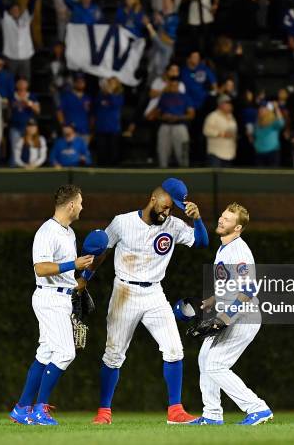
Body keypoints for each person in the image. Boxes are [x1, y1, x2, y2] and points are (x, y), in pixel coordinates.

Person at [89, 178, 208, 425]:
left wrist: (197, 219)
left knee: (174, 350)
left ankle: (175, 411)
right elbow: (102, 251)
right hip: (125, 292)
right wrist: (84, 279)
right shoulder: (122, 222)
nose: (168, 210)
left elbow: (202, 242)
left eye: (173, 207)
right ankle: (103, 412)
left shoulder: (173, 226)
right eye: (167, 204)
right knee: (113, 355)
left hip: (155, 293)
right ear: (154, 198)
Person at [8, 184, 94, 426]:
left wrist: (81, 279)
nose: (82, 206)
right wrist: (73, 265)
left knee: (45, 353)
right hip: (49, 297)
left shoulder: (68, 232)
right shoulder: (47, 231)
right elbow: (41, 268)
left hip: (62, 297)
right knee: (65, 353)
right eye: (80, 202)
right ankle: (39, 409)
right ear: (71, 205)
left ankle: (22, 408)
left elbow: (66, 270)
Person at [187, 202, 272, 426]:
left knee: (216, 365)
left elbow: (249, 289)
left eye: (227, 219)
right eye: (222, 216)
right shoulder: (224, 247)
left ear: (238, 228)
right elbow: (231, 285)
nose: (221, 220)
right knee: (205, 358)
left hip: (244, 318)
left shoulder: (238, 250)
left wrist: (224, 318)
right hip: (230, 315)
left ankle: (258, 408)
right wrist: (212, 301)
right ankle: (212, 414)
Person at [155, 76, 195, 167]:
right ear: (169, 85)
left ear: (178, 86)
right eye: (171, 85)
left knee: (182, 153)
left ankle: (185, 174)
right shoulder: (164, 97)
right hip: (165, 125)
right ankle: (162, 173)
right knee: (162, 152)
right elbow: (157, 114)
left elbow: (191, 114)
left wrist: (178, 117)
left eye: (175, 85)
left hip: (179, 126)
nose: (173, 87)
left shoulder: (185, 97)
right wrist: (163, 116)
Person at [1, 0, 39, 82]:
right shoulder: (6, 20)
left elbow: (31, 6)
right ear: (9, 12)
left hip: (25, 55)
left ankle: (24, 96)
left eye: (17, 9)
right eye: (13, 10)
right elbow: (1, 8)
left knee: (26, 81)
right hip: (11, 56)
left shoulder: (25, 19)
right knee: (10, 80)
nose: (15, 11)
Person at [145, 0, 179, 84]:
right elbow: (155, 27)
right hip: (155, 50)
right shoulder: (161, 14)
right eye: (164, 1)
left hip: (165, 49)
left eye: (167, 1)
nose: (165, 4)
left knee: (161, 75)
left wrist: (155, 25)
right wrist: (155, 21)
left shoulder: (174, 18)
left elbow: (170, 40)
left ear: (172, 2)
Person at [94, 77, 124, 166]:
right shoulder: (100, 96)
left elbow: (115, 104)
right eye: (109, 83)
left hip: (113, 130)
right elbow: (95, 106)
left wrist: (110, 93)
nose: (110, 85)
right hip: (101, 129)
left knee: (113, 155)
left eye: (113, 83)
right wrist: (103, 91)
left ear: (117, 85)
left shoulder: (119, 96)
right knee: (101, 154)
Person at [203, 94, 237, 167]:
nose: (229, 105)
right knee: (215, 177)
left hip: (229, 154)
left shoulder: (232, 117)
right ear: (220, 105)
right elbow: (206, 131)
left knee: (226, 178)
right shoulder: (213, 116)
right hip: (216, 154)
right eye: (226, 103)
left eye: (230, 103)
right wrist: (222, 134)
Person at [57, 73, 91, 143]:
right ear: (74, 83)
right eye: (78, 82)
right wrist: (64, 126)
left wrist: (91, 132)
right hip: (70, 131)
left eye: (82, 82)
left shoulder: (87, 98)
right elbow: (59, 112)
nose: (80, 84)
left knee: (83, 153)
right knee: (70, 153)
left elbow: (92, 116)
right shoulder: (66, 96)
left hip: (84, 131)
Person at [254, 101, 284, 167]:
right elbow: (255, 136)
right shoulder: (257, 122)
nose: (261, 110)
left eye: (264, 108)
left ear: (268, 110)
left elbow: (281, 123)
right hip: (259, 154)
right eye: (260, 108)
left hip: (272, 153)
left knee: (272, 176)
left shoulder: (273, 122)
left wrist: (276, 108)